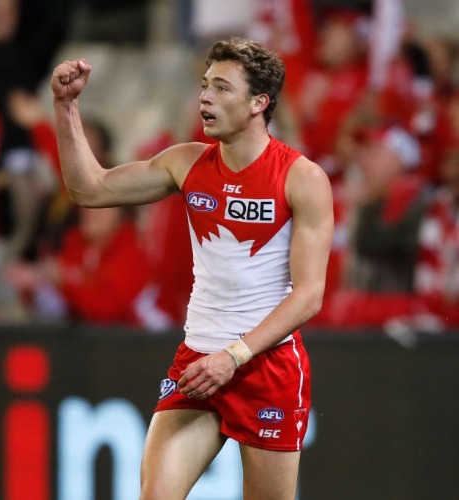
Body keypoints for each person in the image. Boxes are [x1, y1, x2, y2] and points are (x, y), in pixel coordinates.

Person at [50, 37, 333, 499]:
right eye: (205, 85)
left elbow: (309, 295)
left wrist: (234, 357)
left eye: (222, 88)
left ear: (258, 103)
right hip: (198, 362)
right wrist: (65, 108)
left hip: (266, 368)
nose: (204, 96)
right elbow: (91, 190)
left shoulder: (301, 178)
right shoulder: (186, 164)